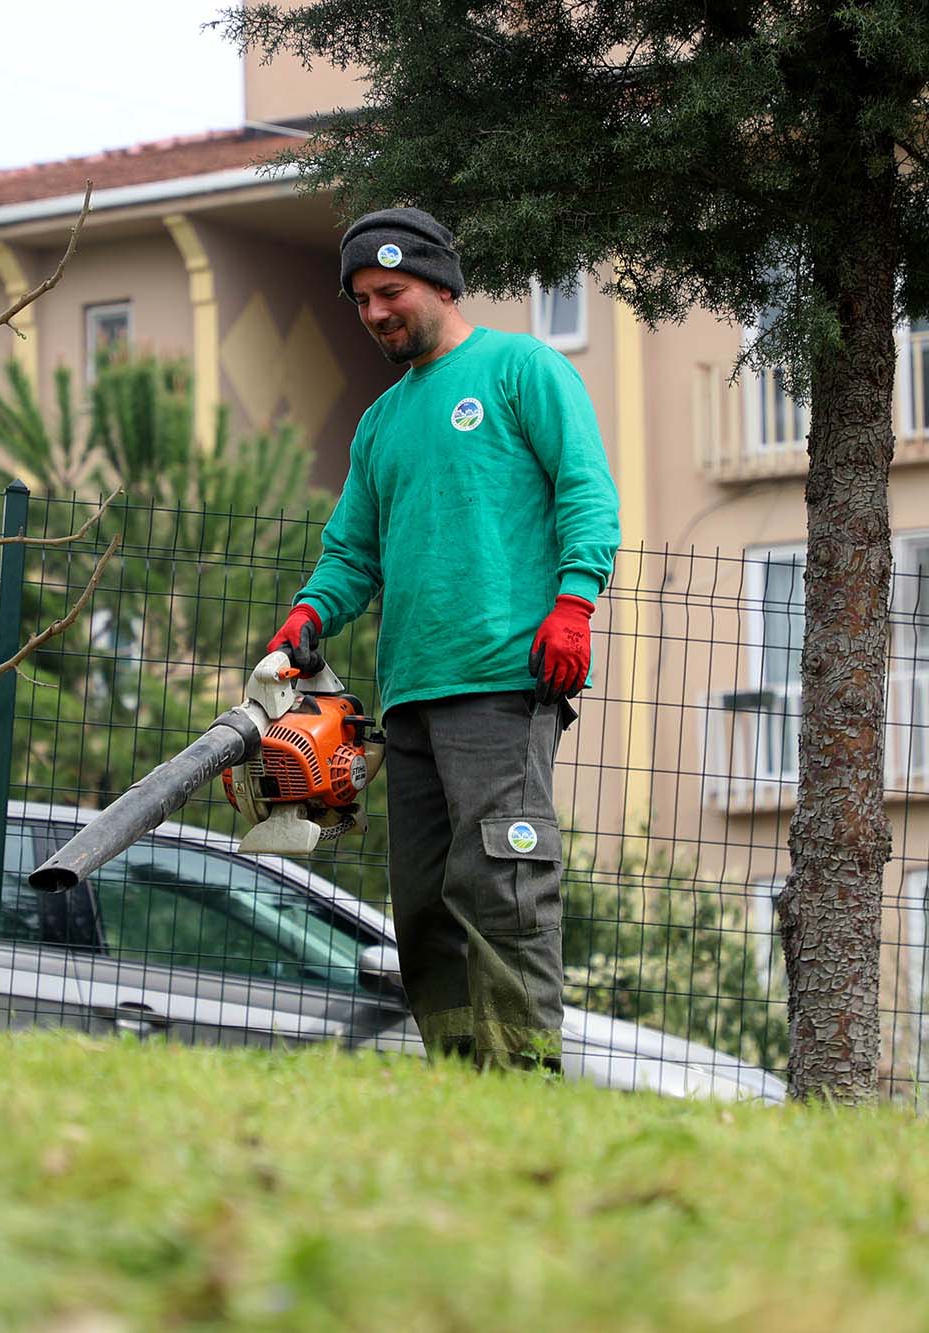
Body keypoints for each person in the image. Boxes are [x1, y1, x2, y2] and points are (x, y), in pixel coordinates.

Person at [262, 206, 621, 1072]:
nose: (377, 312)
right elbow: (352, 551)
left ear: (441, 283)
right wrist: (310, 615)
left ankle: (525, 1079)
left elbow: (587, 490)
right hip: (411, 699)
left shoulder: (521, 369)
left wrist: (574, 602)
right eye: (360, 300)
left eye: (391, 291)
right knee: (424, 906)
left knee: (503, 889)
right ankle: (463, 1081)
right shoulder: (382, 422)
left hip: (503, 680)